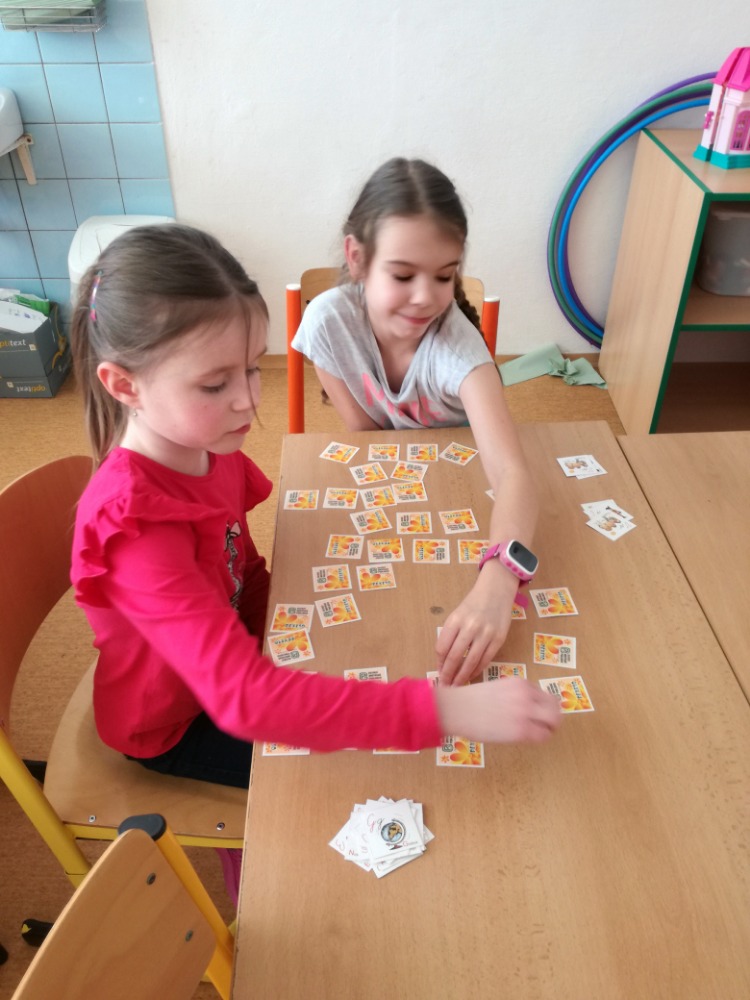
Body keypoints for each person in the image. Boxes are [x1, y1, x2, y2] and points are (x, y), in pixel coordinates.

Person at [69, 224, 559, 893]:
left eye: (252, 368)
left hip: (230, 662)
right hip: (174, 724)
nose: (249, 399)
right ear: (124, 385)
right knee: (377, 782)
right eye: (214, 383)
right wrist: (448, 712)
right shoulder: (135, 528)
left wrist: (300, 637)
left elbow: (243, 570)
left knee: (375, 679)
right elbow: (244, 701)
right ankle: (249, 872)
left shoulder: (202, 443)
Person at [292, 158, 537, 686]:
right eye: (403, 275)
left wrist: (501, 579)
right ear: (356, 258)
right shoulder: (326, 323)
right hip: (401, 492)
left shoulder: (460, 353)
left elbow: (513, 473)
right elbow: (365, 440)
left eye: (444, 275)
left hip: (470, 495)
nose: (426, 296)